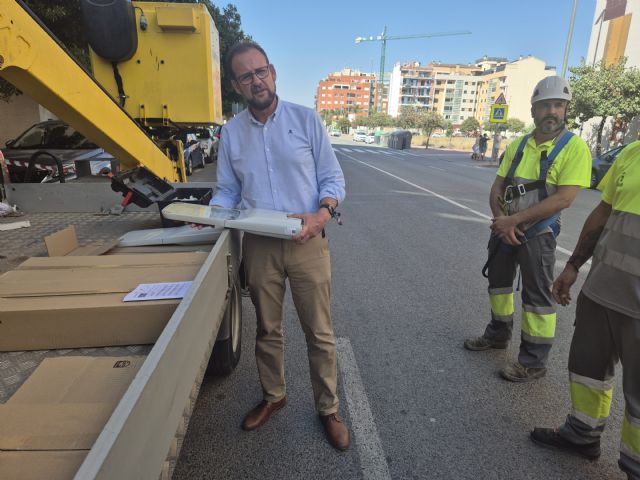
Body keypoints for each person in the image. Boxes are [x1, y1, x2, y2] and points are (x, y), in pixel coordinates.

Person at [211, 41, 349, 450]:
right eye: (245, 76)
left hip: (308, 242)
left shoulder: (306, 121)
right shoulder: (231, 134)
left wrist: (322, 214)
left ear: (272, 73)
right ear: (236, 86)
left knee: (319, 333)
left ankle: (329, 408)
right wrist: (210, 217)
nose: (256, 80)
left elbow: (333, 180)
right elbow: (226, 191)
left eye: (260, 71)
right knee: (268, 330)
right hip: (259, 245)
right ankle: (275, 396)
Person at [464, 76, 591, 382]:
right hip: (505, 229)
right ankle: (497, 334)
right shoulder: (519, 144)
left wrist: (513, 222)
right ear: (533, 111)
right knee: (499, 285)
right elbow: (498, 187)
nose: (552, 111)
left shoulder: (574, 149)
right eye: (545, 105)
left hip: (538, 234)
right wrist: (501, 220)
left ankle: (533, 361)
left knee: (537, 301)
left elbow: (565, 198)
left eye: (558, 105)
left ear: (566, 110)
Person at [531, 140, 640, 480]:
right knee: (587, 369)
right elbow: (604, 212)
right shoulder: (633, 151)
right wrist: (573, 265)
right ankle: (582, 433)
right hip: (603, 291)